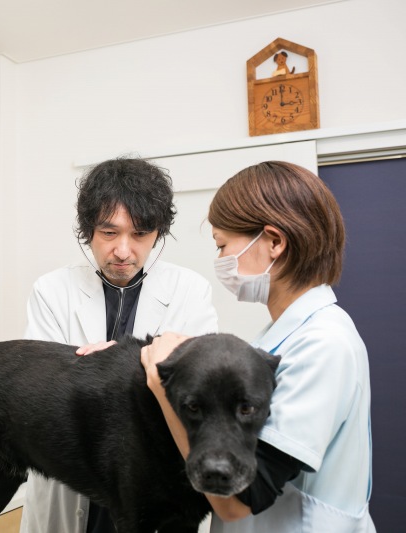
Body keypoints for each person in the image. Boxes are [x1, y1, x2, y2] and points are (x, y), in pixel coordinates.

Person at [141, 161, 375, 532]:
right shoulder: (279, 336)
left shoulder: (324, 344)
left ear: (274, 241)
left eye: (222, 246)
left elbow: (237, 503)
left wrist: (160, 384)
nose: (220, 261)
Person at [19, 157, 218, 533]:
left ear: (157, 234)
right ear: (88, 231)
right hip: (73, 478)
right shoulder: (52, 291)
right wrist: (146, 370)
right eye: (109, 233)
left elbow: (198, 395)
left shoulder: (189, 291)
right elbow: (42, 395)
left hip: (154, 481)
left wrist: (117, 362)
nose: (124, 251)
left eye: (139, 234)